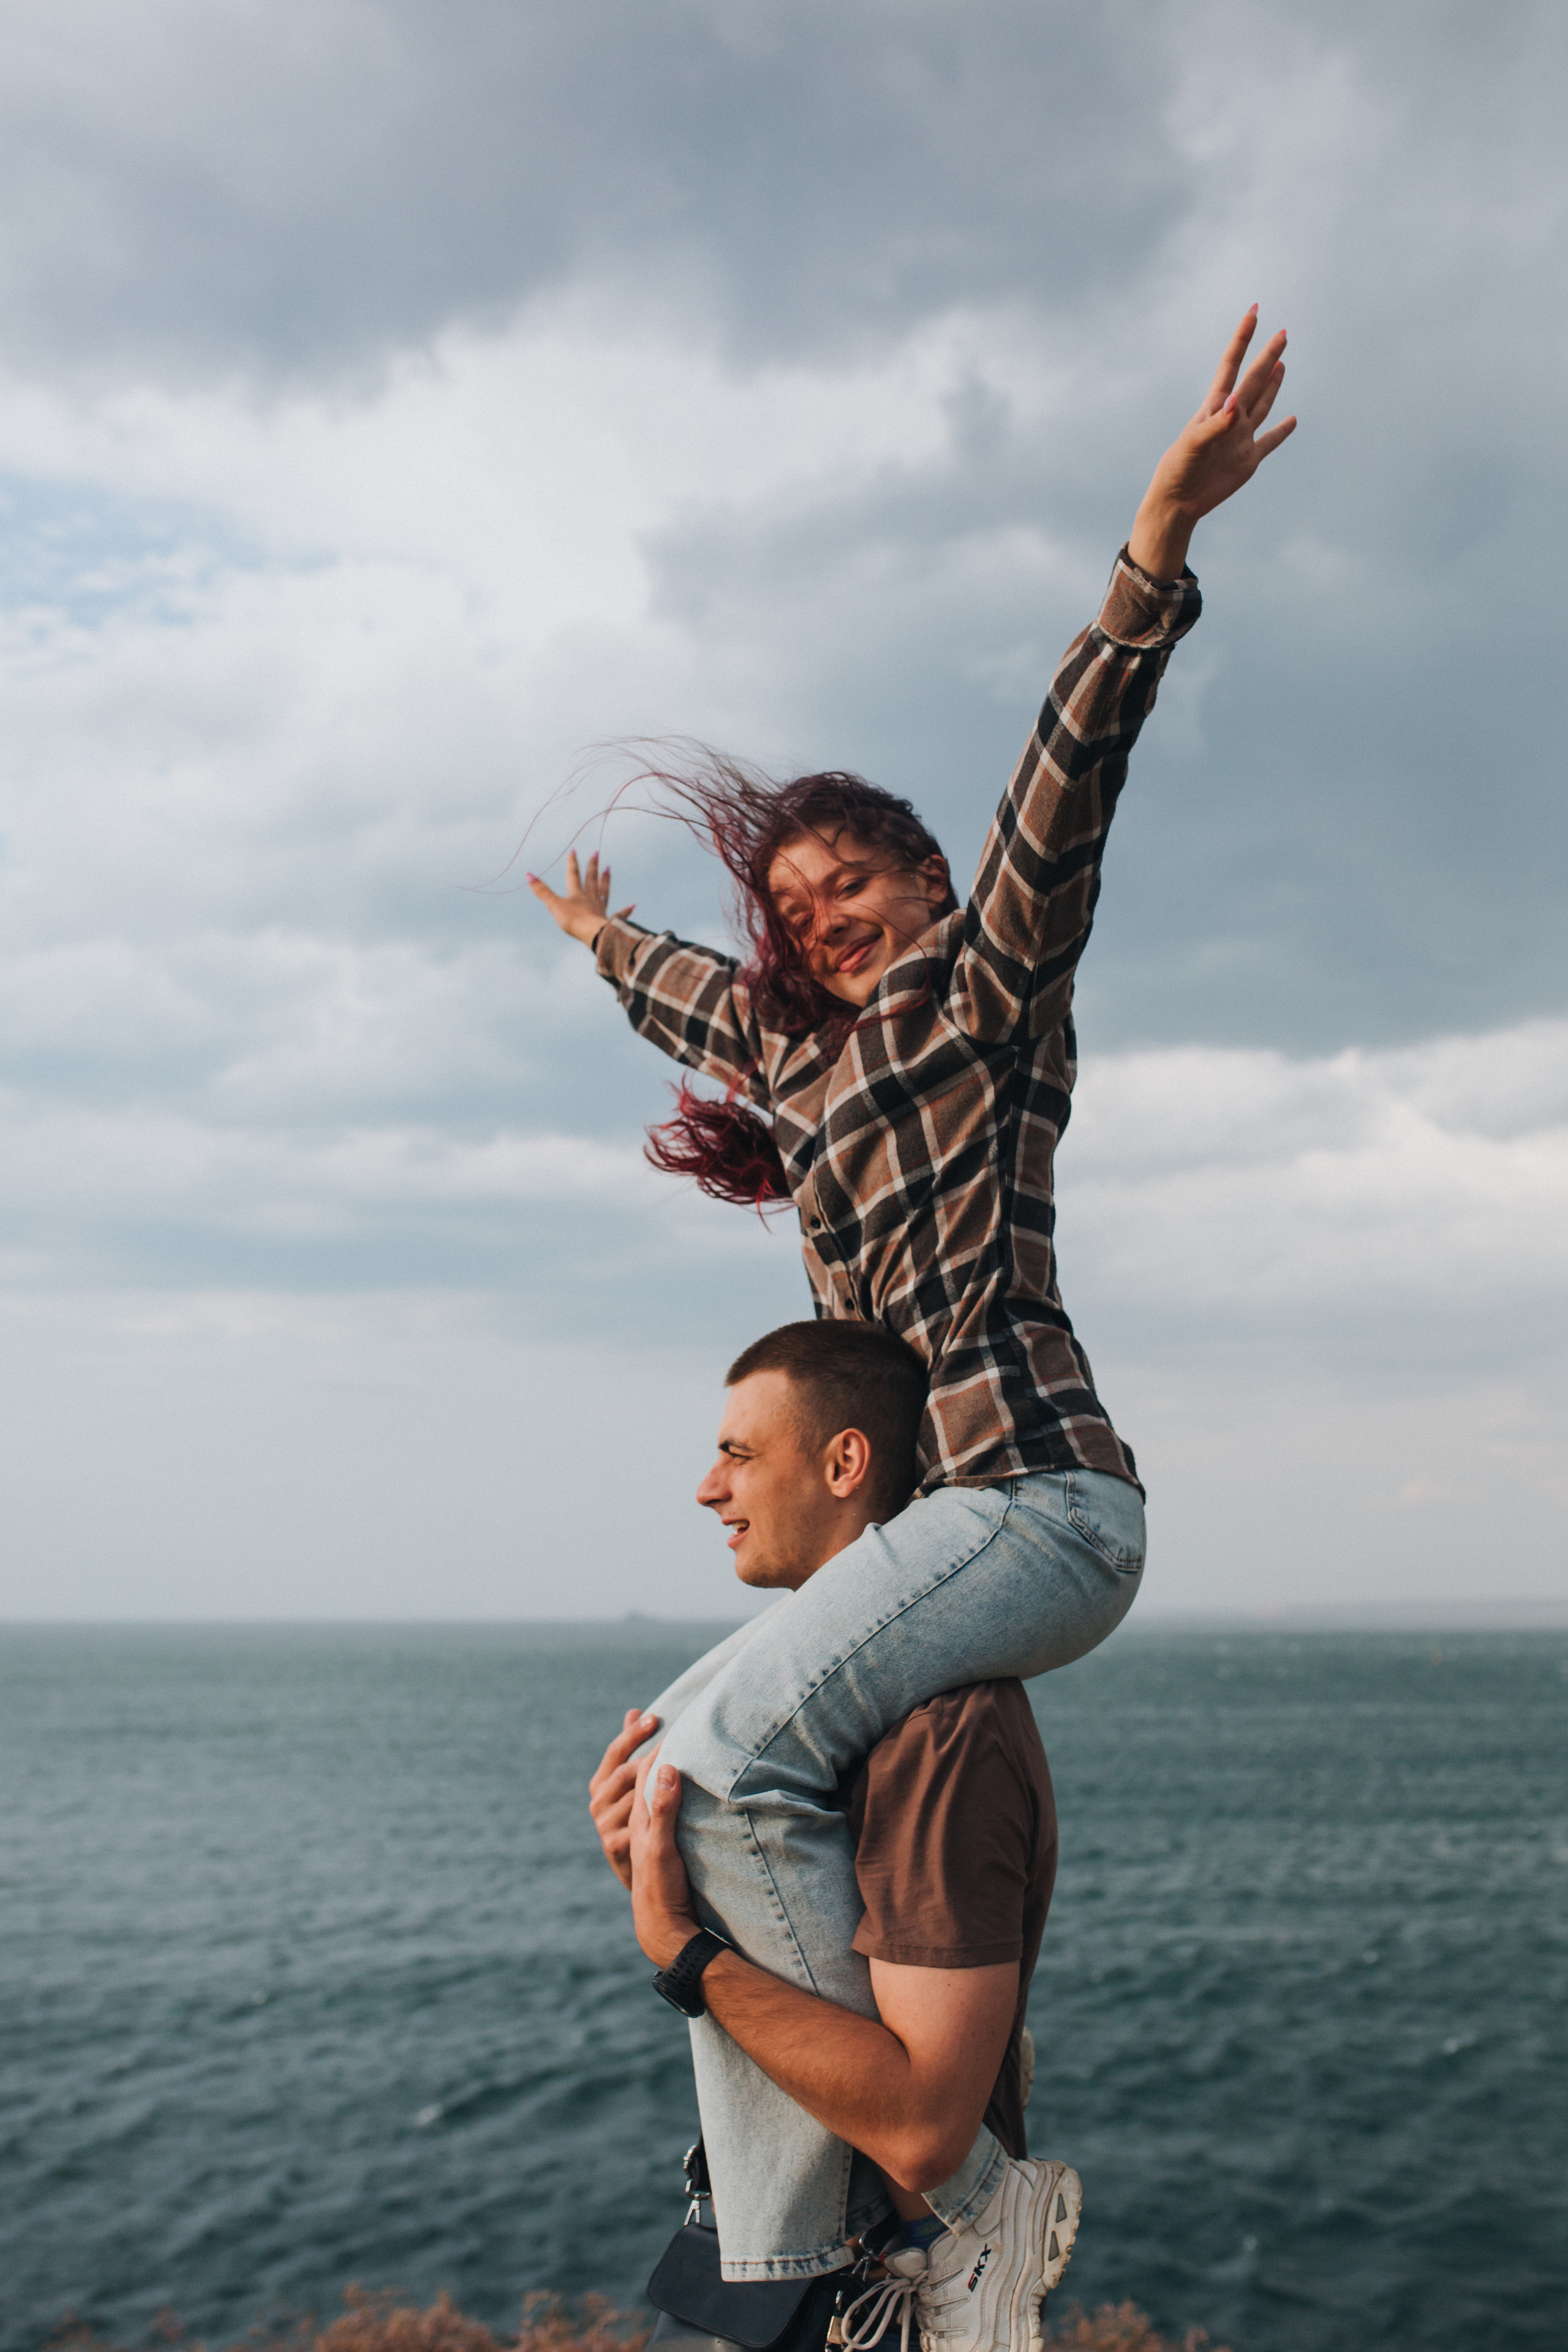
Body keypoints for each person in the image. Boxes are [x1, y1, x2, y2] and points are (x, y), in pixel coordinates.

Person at [541, 311, 1297, 2286]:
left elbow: (1071, 783)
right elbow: (695, 1003)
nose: (819, 918)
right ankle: (798, 2249)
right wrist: (610, 941)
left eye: (850, 880)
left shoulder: (987, 991)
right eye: (793, 912)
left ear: (928, 879)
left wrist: (1152, 548)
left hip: (1038, 1497)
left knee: (719, 1770)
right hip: (939, 1527)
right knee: (671, 1787)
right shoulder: (799, 1068)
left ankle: (908, 2231)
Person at [589, 1319, 1072, 2352]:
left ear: (846, 1461)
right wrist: (653, 1868)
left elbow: (924, 2128)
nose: (708, 1489)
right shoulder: (810, 1730)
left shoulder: (941, 1735)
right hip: (798, 2271)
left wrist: (684, 1953)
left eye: (739, 1453)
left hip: (890, 2293)